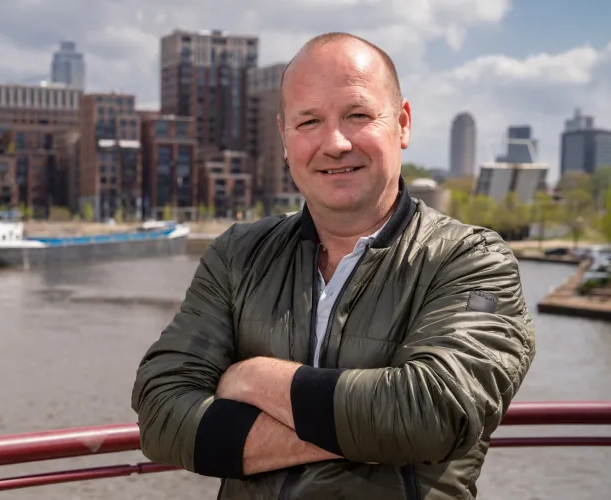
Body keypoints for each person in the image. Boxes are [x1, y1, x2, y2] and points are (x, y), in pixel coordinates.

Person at [131, 32, 535, 500]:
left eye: (357, 115)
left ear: (402, 123)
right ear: (285, 137)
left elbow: (433, 414)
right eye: (309, 122)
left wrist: (253, 377)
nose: (336, 143)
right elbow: (161, 416)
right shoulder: (238, 256)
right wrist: (366, 433)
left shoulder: (471, 260)